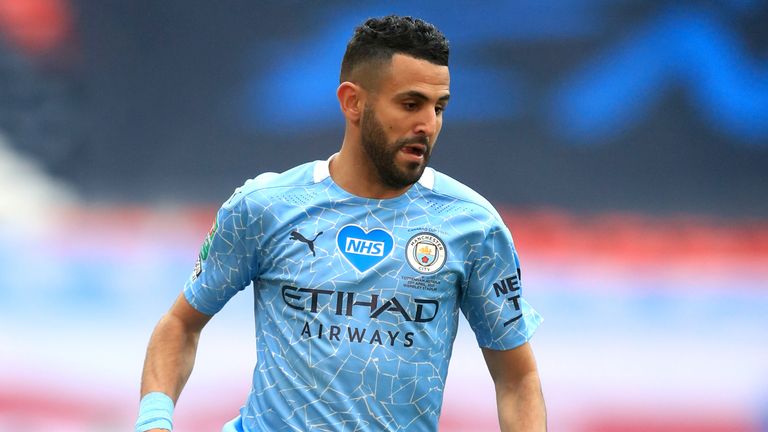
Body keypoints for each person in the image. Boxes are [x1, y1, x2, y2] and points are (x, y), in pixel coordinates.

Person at [135, 15, 546, 432]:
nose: (429, 124)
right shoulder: (266, 206)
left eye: (439, 107)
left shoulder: (472, 226)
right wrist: (153, 422)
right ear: (353, 102)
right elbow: (180, 325)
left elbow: (516, 378)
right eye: (410, 104)